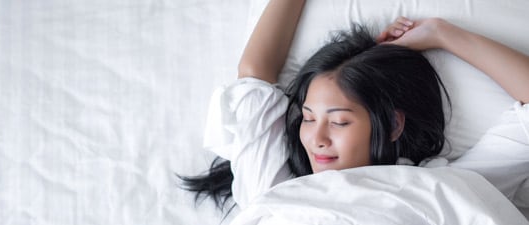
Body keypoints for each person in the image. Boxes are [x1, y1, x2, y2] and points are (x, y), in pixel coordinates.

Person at [180, 0, 529, 220]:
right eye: (308, 117)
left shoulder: (449, 186)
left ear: (393, 125)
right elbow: (254, 75)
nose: (316, 139)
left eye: (339, 121)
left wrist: (442, 34)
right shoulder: (275, 190)